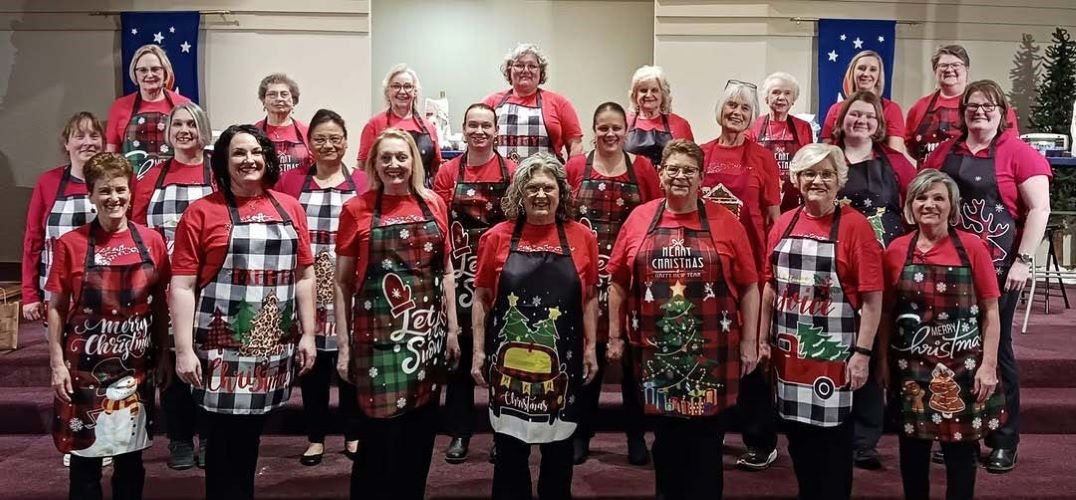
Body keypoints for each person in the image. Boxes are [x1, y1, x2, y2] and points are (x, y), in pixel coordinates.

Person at [607, 139, 760, 500]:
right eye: (673, 169)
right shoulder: (640, 218)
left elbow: (751, 286)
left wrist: (752, 342)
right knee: (667, 442)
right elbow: (616, 281)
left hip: (713, 352)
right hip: (656, 352)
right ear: (660, 174)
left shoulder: (727, 222)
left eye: (689, 170)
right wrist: (614, 335)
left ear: (701, 178)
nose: (680, 176)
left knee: (707, 445)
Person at [171, 124, 318, 500]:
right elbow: (183, 286)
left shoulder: (290, 208)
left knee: (250, 438)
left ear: (267, 158)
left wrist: (308, 333)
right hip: (220, 350)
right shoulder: (201, 213)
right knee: (220, 443)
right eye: (238, 153)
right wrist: (184, 349)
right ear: (223, 161)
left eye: (256, 151)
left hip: (270, 348)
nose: (248, 160)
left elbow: (304, 276)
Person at [922, 80, 1051, 473]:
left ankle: (1004, 439)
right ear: (963, 113)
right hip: (951, 267)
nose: (980, 111)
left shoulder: (1019, 154)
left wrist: (1023, 261)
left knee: (999, 351)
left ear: (1002, 111)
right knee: (954, 349)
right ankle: (958, 429)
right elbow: (923, 197)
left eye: (988, 105)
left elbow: (1040, 210)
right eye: (973, 106)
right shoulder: (946, 152)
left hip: (999, 269)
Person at [335, 128, 459, 500]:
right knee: (377, 442)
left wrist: (452, 330)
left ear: (414, 162)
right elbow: (342, 285)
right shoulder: (355, 210)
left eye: (401, 157)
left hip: (426, 339)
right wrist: (344, 348)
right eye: (385, 158)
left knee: (419, 438)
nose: (394, 165)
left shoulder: (434, 203)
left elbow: (447, 271)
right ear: (374, 163)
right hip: (377, 343)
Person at [471, 153, 600, 500]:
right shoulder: (496, 237)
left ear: (561, 193)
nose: (541, 195)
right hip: (508, 365)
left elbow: (589, 298)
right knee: (510, 453)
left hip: (563, 364)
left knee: (559, 453)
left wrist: (590, 348)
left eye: (548, 188)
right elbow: (482, 297)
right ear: (519, 193)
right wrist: (478, 352)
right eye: (532, 188)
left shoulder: (582, 237)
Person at [760, 143, 883, 500]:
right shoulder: (784, 223)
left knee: (833, 445)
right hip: (790, 357)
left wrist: (862, 353)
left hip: (835, 355)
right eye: (810, 173)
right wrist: (762, 339)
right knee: (798, 439)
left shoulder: (855, 227)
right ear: (796, 179)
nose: (818, 180)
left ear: (839, 180)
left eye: (827, 174)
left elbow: (873, 299)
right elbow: (770, 286)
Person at [47, 152, 170, 500]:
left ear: (130, 192)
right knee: (85, 459)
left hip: (136, 369)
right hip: (82, 370)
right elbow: (55, 308)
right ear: (90, 195)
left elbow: (159, 304)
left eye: (120, 189)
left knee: (131, 462)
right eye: (104, 191)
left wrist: (163, 356)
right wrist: (56, 363)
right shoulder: (70, 244)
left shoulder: (152, 241)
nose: (114, 198)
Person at [879, 169, 1005, 500]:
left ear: (952, 206)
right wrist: (882, 363)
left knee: (962, 456)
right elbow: (886, 314)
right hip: (911, 369)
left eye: (938, 198)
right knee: (913, 453)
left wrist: (988, 365)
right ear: (909, 205)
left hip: (964, 368)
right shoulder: (896, 250)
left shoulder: (973, 247)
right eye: (921, 197)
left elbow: (992, 312)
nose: (929, 204)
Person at [565, 102, 662, 466]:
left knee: (633, 362)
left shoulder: (644, 168)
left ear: (627, 130)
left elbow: (655, 217)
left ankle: (636, 435)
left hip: (631, 278)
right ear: (594, 129)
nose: (609, 134)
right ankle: (580, 434)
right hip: (587, 276)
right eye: (602, 128)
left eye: (616, 128)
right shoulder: (576, 166)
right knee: (588, 356)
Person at [275, 109, 368, 467]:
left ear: (346, 141)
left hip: (349, 285)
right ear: (309, 144)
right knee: (311, 364)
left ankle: (353, 432)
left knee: (350, 364)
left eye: (335, 138)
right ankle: (315, 437)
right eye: (320, 139)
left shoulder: (362, 182)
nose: (328, 145)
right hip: (307, 284)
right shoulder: (291, 183)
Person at [832, 90, 918, 469]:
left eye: (868, 115)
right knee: (839, 347)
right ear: (842, 119)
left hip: (886, 265)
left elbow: (917, 205)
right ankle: (833, 428)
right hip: (835, 267)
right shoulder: (827, 156)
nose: (861, 120)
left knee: (878, 347)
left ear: (878, 123)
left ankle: (867, 437)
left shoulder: (897, 163)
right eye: (855, 114)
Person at [130, 102, 216, 470]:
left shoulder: (218, 172)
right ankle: (180, 438)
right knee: (175, 363)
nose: (184, 130)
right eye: (177, 123)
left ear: (203, 129)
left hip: (212, 284)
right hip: (166, 284)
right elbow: (136, 230)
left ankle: (212, 436)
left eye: (191, 124)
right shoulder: (152, 177)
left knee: (212, 364)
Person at [432, 103, 517, 464]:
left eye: (486, 125)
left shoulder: (512, 171)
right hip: (462, 270)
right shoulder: (448, 172)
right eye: (473, 125)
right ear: (463, 130)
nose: (479, 131)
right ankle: (461, 432)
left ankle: (504, 433)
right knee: (462, 356)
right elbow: (438, 223)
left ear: (496, 131)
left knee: (503, 354)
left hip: (502, 272)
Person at [22, 112, 104, 323]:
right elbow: (33, 240)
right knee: (58, 351)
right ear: (67, 144)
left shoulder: (114, 182)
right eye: (79, 136)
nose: (88, 143)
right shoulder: (48, 182)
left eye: (94, 136)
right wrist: (30, 294)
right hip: (56, 288)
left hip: (104, 286)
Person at [701, 79, 781, 271]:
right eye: (732, 105)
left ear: (752, 116)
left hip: (750, 253)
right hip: (707, 250)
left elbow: (774, 218)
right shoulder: (700, 153)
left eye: (745, 108)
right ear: (721, 108)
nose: (737, 112)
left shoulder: (764, 158)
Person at [906, 45, 1021, 164]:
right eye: (943, 65)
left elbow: (1009, 145)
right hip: (930, 178)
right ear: (935, 70)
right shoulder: (919, 107)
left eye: (956, 65)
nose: (949, 69)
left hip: (977, 176)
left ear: (966, 68)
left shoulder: (994, 106)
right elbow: (911, 147)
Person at [483, 43, 583, 163]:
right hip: (501, 179)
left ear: (541, 72)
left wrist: (571, 175)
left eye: (532, 66)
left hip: (546, 178)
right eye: (519, 65)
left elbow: (576, 146)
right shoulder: (491, 102)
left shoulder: (560, 103)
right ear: (509, 70)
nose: (526, 70)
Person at [106, 44, 191, 176]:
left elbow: (193, 149)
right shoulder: (119, 106)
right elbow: (110, 153)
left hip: (173, 181)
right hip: (132, 185)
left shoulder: (184, 104)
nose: (149, 74)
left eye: (155, 69)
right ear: (135, 74)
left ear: (165, 72)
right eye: (143, 70)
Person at [358, 64, 443, 185]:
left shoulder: (429, 127)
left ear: (415, 92)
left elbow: (436, 168)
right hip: (384, 197)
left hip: (421, 196)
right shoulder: (374, 124)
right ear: (388, 91)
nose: (402, 91)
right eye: (396, 86)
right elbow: (363, 168)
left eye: (407, 86)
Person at [748, 72, 814, 212]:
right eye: (776, 92)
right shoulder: (753, 125)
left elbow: (808, 163)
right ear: (766, 98)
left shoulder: (803, 127)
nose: (781, 98)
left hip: (794, 196)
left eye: (787, 93)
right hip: (761, 196)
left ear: (793, 99)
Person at [820, 50, 906, 153]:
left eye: (873, 69)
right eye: (861, 68)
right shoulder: (835, 109)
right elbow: (826, 151)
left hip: (879, 168)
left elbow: (895, 154)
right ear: (853, 72)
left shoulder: (891, 109)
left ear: (879, 75)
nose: (866, 74)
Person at [624, 65, 695, 166]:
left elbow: (690, 163)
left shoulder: (680, 124)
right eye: (643, 90)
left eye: (654, 90)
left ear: (663, 94)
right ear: (635, 95)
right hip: (632, 181)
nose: (649, 95)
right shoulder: (623, 122)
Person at [254, 73, 311, 172]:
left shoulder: (308, 132)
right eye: (272, 94)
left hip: (299, 186)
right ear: (263, 101)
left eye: (284, 94)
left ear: (293, 100)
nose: (279, 99)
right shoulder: (253, 133)